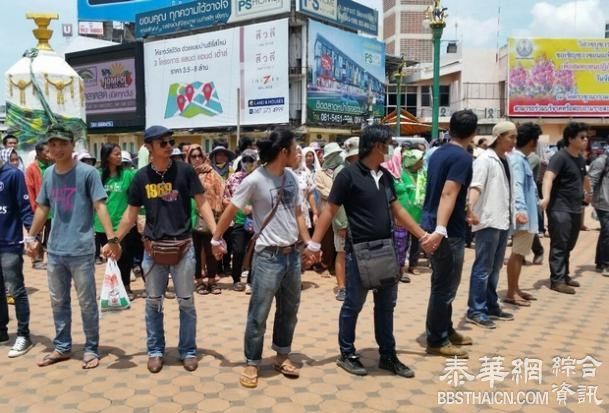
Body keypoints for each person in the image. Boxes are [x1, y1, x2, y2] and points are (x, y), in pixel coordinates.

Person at [305, 125, 433, 377]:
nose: (390, 151)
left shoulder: (384, 176)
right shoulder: (348, 176)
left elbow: (397, 210)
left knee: (386, 305)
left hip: (386, 250)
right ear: (377, 146)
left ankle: (388, 355)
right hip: (359, 252)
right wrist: (314, 244)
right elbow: (329, 209)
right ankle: (347, 354)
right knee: (353, 304)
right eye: (387, 145)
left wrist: (422, 235)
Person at [112, 126, 217, 373]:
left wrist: (216, 234)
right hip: (153, 250)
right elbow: (130, 215)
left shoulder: (185, 171)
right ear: (149, 147)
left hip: (183, 247)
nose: (169, 146)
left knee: (186, 303)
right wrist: (114, 239)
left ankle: (188, 351)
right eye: (163, 143)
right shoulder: (140, 178)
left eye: (171, 141)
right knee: (153, 304)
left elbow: (202, 204)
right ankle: (155, 351)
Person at [211, 128, 311, 389]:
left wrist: (308, 241)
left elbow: (298, 213)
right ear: (282, 152)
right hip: (268, 256)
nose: (298, 152)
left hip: (292, 256)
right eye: (294, 147)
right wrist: (216, 238)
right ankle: (252, 362)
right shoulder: (255, 180)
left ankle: (281, 355)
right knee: (259, 312)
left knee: (289, 310)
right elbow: (232, 209)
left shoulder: (291, 177)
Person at [25, 125, 121, 369]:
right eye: (53, 145)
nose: (57, 149)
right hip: (55, 249)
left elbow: (100, 206)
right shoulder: (48, 175)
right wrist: (31, 237)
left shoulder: (88, 173)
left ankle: (91, 348)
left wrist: (112, 239)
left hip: (81, 248)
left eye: (62, 144)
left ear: (72, 144)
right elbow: (43, 208)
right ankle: (62, 347)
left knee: (86, 302)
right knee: (58, 301)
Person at [422, 110, 477, 358]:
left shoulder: (437, 153)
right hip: (445, 230)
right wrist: (441, 229)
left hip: (435, 222)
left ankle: (445, 328)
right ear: (473, 133)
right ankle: (437, 338)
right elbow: (448, 193)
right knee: (445, 286)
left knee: (444, 283)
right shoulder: (463, 158)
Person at [466, 121, 516, 328]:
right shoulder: (485, 160)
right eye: (511, 137)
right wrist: (470, 209)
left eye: (515, 137)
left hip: (502, 219)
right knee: (483, 267)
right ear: (499, 137)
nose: (514, 141)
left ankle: (491, 304)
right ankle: (476, 309)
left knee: (495, 267)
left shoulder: (506, 160)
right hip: (488, 220)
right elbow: (476, 186)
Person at [541, 122, 590, 295]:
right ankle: (557, 280)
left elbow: (584, 178)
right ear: (570, 138)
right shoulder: (560, 157)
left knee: (569, 244)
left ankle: (565, 275)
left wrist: (587, 193)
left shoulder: (580, 159)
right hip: (559, 208)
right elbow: (548, 177)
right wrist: (546, 197)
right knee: (559, 244)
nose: (585, 140)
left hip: (575, 208)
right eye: (582, 137)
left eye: (586, 137)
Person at [0, 153, 34, 357]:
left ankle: (24, 335)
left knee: (16, 290)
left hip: (9, 243)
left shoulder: (13, 175)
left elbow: (24, 208)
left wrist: (32, 236)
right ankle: (2, 332)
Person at [94, 144, 138, 301]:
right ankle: (112, 287)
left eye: (120, 154)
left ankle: (126, 287)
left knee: (125, 257)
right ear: (107, 156)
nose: (119, 157)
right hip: (102, 226)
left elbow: (135, 200)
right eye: (116, 154)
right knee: (110, 258)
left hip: (123, 225)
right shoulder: (97, 175)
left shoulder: (128, 175)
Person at [505, 123, 542, 307]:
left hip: (526, 212)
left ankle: (516, 288)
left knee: (519, 253)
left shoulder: (519, 158)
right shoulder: (518, 160)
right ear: (533, 142)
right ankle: (511, 292)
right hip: (523, 214)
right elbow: (517, 185)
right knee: (517, 253)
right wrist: (520, 210)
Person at [186, 144, 225, 295]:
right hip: (190, 218)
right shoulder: (186, 174)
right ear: (189, 158)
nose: (196, 159)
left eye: (199, 156)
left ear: (204, 157)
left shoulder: (212, 173)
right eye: (193, 156)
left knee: (211, 251)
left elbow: (221, 192)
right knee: (194, 252)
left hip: (210, 218)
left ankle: (211, 281)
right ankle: (199, 281)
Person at [223, 149, 259, 293]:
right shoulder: (234, 178)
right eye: (245, 160)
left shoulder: (261, 177)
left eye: (251, 160)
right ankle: (236, 279)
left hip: (257, 220)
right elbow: (225, 198)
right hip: (239, 220)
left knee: (255, 251)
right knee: (238, 250)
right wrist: (238, 205)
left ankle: (251, 280)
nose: (248, 163)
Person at [331, 137, 359, 301]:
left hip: (358, 221)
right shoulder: (341, 172)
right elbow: (337, 202)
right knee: (341, 253)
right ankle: (341, 287)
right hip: (344, 221)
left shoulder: (362, 169)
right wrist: (342, 224)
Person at [25, 141, 53, 270]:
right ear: (39, 153)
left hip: (52, 208)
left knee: (50, 234)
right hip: (38, 208)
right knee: (36, 234)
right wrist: (34, 208)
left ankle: (50, 258)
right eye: (46, 151)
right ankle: (37, 260)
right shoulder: (32, 168)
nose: (49, 154)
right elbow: (30, 190)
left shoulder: (53, 166)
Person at [401, 148, 427, 277]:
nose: (422, 162)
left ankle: (413, 265)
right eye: (419, 160)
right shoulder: (402, 175)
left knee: (417, 241)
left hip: (419, 213)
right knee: (403, 241)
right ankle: (400, 266)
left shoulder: (423, 174)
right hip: (405, 214)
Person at [589, 147, 609, 276]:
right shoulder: (601, 161)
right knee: (608, 231)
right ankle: (607, 263)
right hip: (603, 203)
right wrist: (588, 197)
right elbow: (591, 181)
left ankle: (600, 262)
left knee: (605, 232)